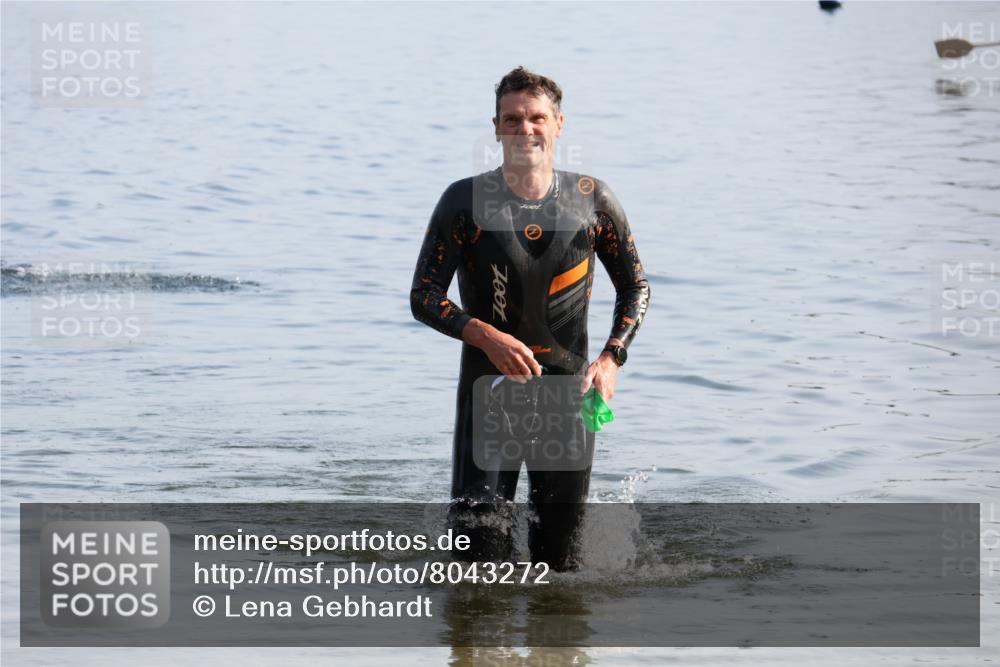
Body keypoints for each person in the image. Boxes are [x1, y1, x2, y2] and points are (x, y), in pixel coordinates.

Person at [410, 66, 650, 570]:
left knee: (560, 566)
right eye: (513, 119)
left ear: (558, 124)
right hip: (487, 397)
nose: (525, 130)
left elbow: (635, 286)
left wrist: (612, 359)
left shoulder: (593, 200)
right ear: (496, 127)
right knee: (476, 566)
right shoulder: (464, 201)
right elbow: (424, 295)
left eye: (536, 118)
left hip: (568, 399)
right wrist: (483, 334)